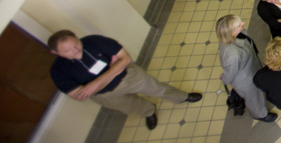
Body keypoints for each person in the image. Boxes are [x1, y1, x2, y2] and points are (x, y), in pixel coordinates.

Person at [48, 30, 201, 130]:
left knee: (157, 88)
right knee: (131, 106)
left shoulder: (94, 41)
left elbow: (125, 59)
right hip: (105, 95)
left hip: (129, 76)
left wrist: (93, 84)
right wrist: (114, 70)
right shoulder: (58, 71)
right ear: (55, 52)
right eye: (68, 50)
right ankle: (149, 111)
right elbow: (80, 95)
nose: (76, 50)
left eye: (76, 44)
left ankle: (182, 97)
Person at [215, 15, 276, 122]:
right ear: (231, 33)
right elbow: (230, 74)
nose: (243, 24)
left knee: (259, 92)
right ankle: (260, 114)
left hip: (251, 67)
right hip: (247, 81)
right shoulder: (232, 54)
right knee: (254, 99)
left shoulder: (237, 34)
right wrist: (224, 78)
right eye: (239, 25)